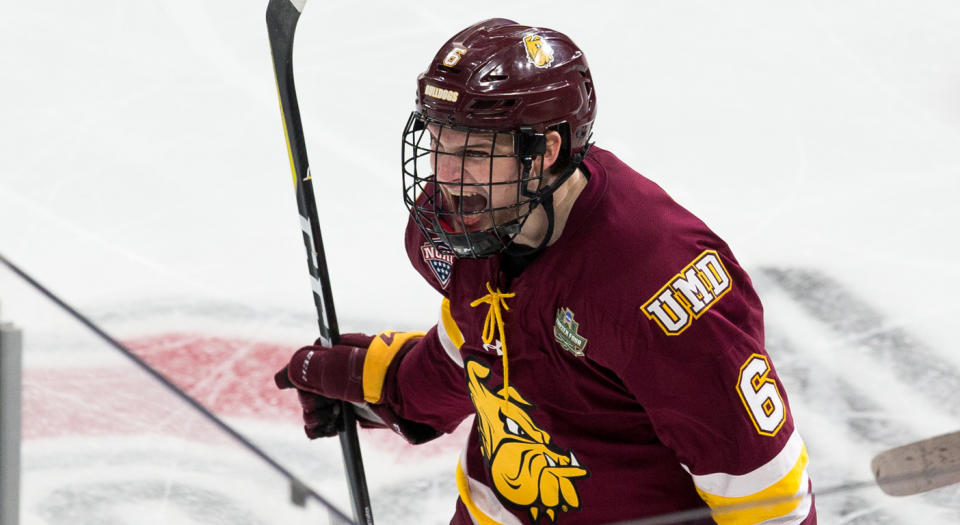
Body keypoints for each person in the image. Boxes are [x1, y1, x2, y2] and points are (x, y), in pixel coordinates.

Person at [275, 18, 816, 525]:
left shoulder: (657, 283)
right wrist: (391, 386)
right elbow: (488, 343)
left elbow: (762, 490)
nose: (444, 174)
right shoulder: (463, 221)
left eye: (474, 152)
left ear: (547, 151)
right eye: (438, 141)